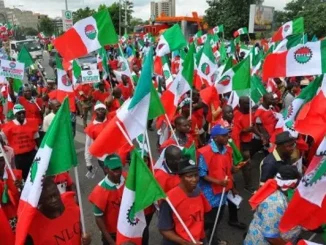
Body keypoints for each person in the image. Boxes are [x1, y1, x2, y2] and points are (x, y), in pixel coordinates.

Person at [158, 157, 211, 245]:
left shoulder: (198, 191)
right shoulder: (169, 199)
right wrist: (185, 243)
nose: (194, 179)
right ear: (180, 177)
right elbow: (164, 229)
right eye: (189, 176)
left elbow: (203, 216)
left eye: (196, 175)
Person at [197, 124, 236, 245]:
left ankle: (213, 239)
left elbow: (228, 170)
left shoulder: (228, 150)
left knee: (217, 218)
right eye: (224, 135)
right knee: (208, 220)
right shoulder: (204, 152)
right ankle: (201, 240)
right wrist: (218, 182)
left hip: (223, 192)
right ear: (215, 137)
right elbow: (201, 174)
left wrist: (232, 186)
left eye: (227, 134)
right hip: (210, 194)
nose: (227, 137)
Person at [24, 177, 91, 245]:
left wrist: (86, 239)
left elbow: (82, 231)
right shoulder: (34, 225)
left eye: (55, 194)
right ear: (40, 201)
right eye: (48, 198)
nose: (54, 200)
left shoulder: (71, 203)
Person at [244, 165, 301, 245]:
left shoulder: (277, 191)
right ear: (290, 185)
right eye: (296, 186)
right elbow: (271, 237)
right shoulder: (275, 203)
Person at [88, 154, 126, 245]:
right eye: (114, 169)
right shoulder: (99, 191)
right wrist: (111, 241)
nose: (118, 172)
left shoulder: (127, 178)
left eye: (119, 168)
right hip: (112, 234)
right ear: (106, 169)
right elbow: (98, 218)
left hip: (127, 229)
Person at [1, 104, 39, 180]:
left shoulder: (32, 123)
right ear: (15, 115)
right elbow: (1, 137)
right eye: (19, 113)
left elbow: (37, 138)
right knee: (23, 176)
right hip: (19, 157)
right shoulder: (8, 126)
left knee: (35, 174)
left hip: (32, 153)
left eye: (23, 112)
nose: (22, 115)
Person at [232, 96, 255, 193]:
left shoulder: (250, 114)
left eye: (249, 103)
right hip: (240, 143)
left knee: (247, 164)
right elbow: (234, 131)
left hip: (250, 142)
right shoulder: (236, 115)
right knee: (246, 164)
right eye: (246, 103)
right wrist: (244, 130)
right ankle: (247, 186)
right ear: (240, 104)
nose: (249, 105)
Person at [85, 102, 109, 173]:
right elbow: (88, 145)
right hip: (103, 158)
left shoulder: (111, 122)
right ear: (95, 112)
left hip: (115, 155)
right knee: (110, 176)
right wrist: (88, 162)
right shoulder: (91, 127)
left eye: (103, 109)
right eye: (99, 109)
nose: (101, 111)